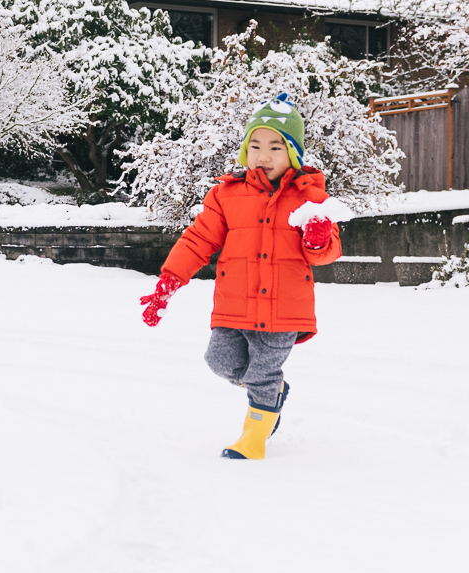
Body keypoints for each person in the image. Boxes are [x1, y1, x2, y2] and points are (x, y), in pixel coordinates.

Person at [139, 94, 348, 459]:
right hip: (235, 305)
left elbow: (327, 253)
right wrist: (168, 283)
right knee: (219, 361)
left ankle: (253, 439)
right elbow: (198, 239)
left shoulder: (309, 198)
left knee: (262, 373)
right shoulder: (225, 195)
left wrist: (317, 240)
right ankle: (271, 394)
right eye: (254, 146)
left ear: (293, 155)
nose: (263, 156)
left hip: (283, 310)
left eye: (275, 147)